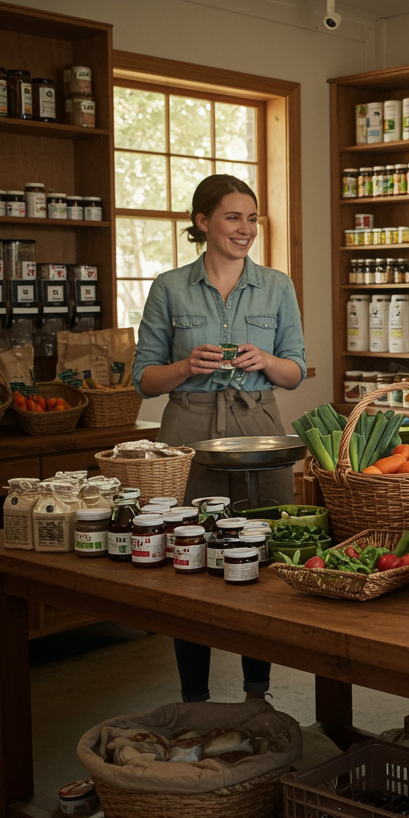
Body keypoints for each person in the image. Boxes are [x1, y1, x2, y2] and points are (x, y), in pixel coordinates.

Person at [133, 174, 306, 702]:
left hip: (259, 424)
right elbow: (142, 378)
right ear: (202, 221)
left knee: (266, 553)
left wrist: (267, 361)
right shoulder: (169, 286)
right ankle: (195, 699)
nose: (246, 229)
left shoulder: (277, 285)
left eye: (252, 218)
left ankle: (259, 693)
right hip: (188, 425)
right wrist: (185, 366)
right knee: (191, 557)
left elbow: (296, 370)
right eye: (234, 217)